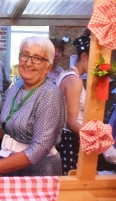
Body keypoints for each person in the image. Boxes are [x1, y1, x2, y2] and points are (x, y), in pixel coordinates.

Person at [0, 36, 66, 177]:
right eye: (25, 55)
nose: (28, 63)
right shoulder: (16, 87)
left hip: (38, 169)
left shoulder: (50, 94)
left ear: (48, 66)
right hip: (9, 163)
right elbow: (10, 130)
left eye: (37, 58)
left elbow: (40, 148)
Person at [55, 29, 91, 175]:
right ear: (84, 56)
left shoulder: (67, 74)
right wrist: (93, 137)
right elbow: (71, 121)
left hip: (68, 137)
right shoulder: (74, 80)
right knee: (69, 181)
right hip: (69, 139)